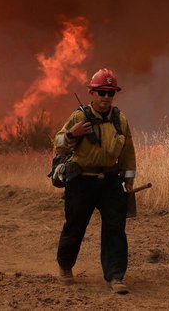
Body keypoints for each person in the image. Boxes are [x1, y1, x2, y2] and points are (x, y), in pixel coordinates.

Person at [53, 68, 136, 294]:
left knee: (115, 229)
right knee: (75, 226)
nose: (106, 97)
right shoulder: (78, 117)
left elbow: (128, 151)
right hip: (82, 180)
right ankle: (66, 267)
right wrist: (73, 134)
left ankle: (116, 276)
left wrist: (129, 179)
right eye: (101, 92)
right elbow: (59, 143)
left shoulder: (120, 119)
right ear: (92, 93)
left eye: (110, 93)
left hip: (110, 180)